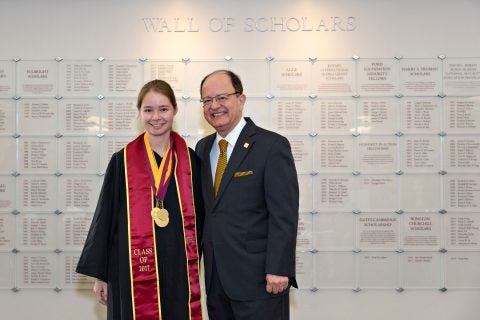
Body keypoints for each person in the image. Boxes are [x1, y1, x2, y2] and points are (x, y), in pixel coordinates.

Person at [76, 79, 204, 320]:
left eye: (163, 109)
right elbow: (105, 219)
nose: (156, 117)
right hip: (130, 269)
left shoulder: (191, 162)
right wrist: (101, 275)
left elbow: (205, 220)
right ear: (139, 113)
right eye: (148, 110)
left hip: (178, 268)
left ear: (175, 110)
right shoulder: (121, 161)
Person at [195, 70, 299, 320]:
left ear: (241, 100)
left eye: (222, 97)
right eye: (207, 100)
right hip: (216, 280)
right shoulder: (202, 148)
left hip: (260, 280)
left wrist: (279, 268)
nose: (214, 106)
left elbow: (284, 214)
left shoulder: (271, 146)